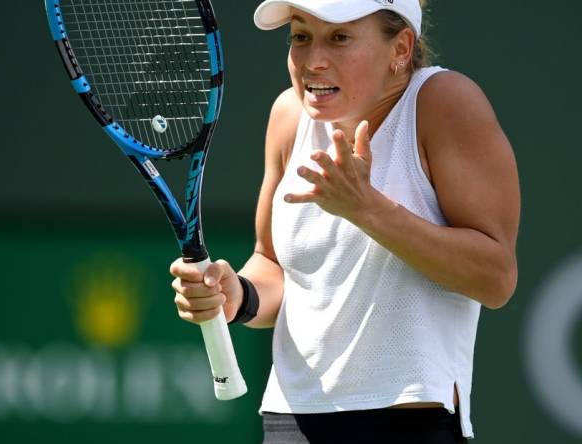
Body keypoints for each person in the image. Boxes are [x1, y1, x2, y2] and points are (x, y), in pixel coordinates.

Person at [170, 0, 520, 442]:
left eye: (339, 37)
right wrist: (236, 294)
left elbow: (496, 278)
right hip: (291, 420)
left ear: (401, 48)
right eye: (300, 36)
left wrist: (368, 209)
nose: (313, 61)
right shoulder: (288, 116)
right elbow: (273, 265)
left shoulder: (442, 102)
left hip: (408, 419)